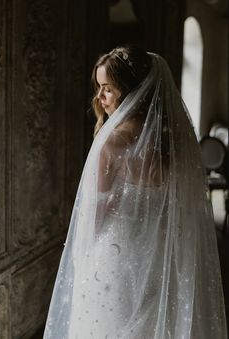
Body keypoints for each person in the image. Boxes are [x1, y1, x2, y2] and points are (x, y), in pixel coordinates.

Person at [43, 45, 227, 338]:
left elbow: (97, 212)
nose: (99, 98)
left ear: (131, 92)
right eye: (99, 88)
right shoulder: (174, 141)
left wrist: (81, 254)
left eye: (107, 89)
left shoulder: (112, 142)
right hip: (160, 257)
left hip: (115, 259)